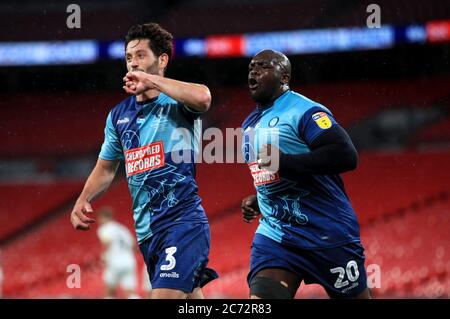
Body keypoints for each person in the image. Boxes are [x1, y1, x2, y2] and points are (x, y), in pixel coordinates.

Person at [70, 22, 217, 299]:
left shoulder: (178, 102)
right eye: (128, 57)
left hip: (182, 222)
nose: (132, 63)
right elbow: (106, 168)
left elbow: (204, 97)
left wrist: (151, 81)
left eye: (140, 56)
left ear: (162, 60)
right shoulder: (118, 116)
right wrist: (83, 198)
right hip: (148, 232)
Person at [240, 49, 371, 299]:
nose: (254, 71)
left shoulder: (305, 111)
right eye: (251, 68)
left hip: (327, 234)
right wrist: (259, 198)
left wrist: (285, 162)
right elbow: (272, 172)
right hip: (276, 235)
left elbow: (345, 154)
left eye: (264, 66)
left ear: (284, 76)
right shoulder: (248, 124)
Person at [96, 207, 138, 298]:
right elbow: (133, 244)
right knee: (130, 292)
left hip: (115, 261)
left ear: (103, 217)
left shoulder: (105, 228)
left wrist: (104, 257)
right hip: (129, 261)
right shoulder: (121, 228)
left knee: (109, 291)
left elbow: (107, 242)